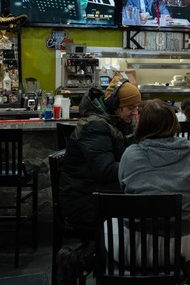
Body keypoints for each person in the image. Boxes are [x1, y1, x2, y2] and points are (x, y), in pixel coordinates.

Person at [117, 99, 190, 265]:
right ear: (174, 122)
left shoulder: (129, 155)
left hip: (135, 250)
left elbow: (123, 187)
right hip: (182, 248)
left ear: (141, 124)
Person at [56, 77, 141, 285]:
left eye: (136, 107)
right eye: (130, 107)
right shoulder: (95, 126)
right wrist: (141, 166)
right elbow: (105, 170)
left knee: (140, 210)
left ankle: (119, 261)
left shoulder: (116, 121)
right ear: (115, 106)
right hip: (82, 200)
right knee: (139, 213)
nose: (134, 112)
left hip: (97, 192)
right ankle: (80, 259)